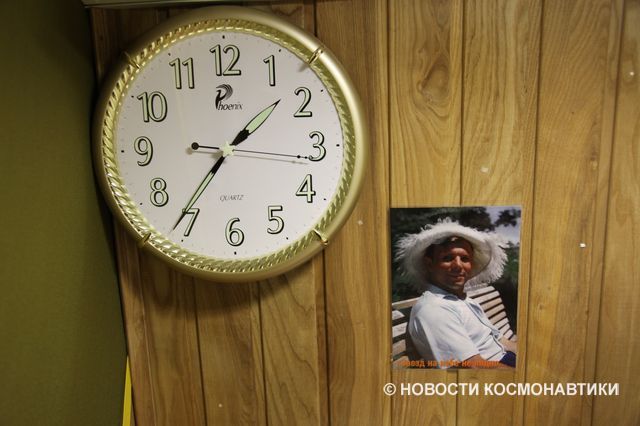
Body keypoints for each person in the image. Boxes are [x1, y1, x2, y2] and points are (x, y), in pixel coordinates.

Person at [396, 219, 516, 368]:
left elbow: (501, 341)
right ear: (429, 264)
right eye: (447, 258)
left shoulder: (463, 299)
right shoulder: (434, 309)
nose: (458, 265)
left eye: (465, 258)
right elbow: (475, 368)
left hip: (505, 358)